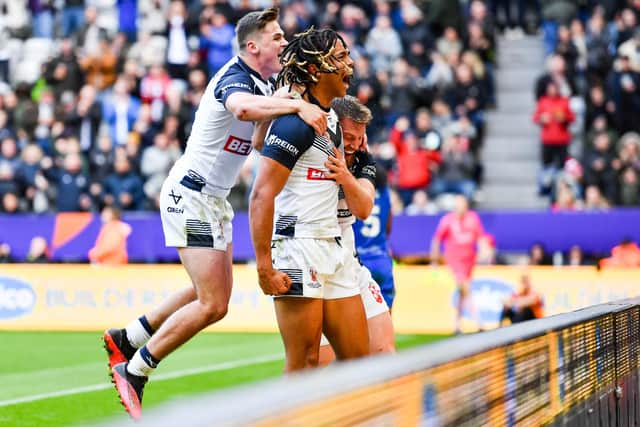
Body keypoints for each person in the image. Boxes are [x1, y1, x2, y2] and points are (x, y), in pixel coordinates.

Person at [105, 8, 329, 420]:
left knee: (210, 290)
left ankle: (128, 335)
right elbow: (242, 110)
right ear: (252, 46)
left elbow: (258, 141)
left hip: (212, 198)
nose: (283, 42)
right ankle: (134, 369)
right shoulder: (236, 78)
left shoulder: (263, 83)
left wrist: (284, 104)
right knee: (213, 303)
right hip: (192, 195)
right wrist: (293, 108)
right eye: (276, 37)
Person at [249, 28, 369, 373]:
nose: (350, 64)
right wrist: (264, 265)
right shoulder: (296, 124)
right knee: (304, 363)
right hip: (297, 246)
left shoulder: (328, 118)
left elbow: (262, 145)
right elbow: (261, 194)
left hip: (333, 246)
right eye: (341, 57)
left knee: (360, 364)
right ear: (315, 70)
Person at [318, 96, 396, 365]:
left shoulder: (365, 162)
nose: (353, 144)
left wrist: (344, 175)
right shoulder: (311, 151)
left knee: (384, 351)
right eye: (348, 136)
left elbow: (363, 208)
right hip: (312, 261)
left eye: (359, 137)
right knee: (319, 366)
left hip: (350, 262)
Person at [430, 194, 484, 334]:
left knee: (461, 292)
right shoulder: (447, 220)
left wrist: (484, 252)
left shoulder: (473, 218)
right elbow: (437, 239)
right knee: (465, 288)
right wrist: (434, 260)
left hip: (469, 260)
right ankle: (478, 322)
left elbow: (480, 237)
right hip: (455, 259)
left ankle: (456, 324)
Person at [353, 166, 396, 311]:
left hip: (359, 260)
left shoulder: (357, 195)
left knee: (358, 314)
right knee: (386, 310)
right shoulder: (385, 194)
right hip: (381, 258)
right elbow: (388, 226)